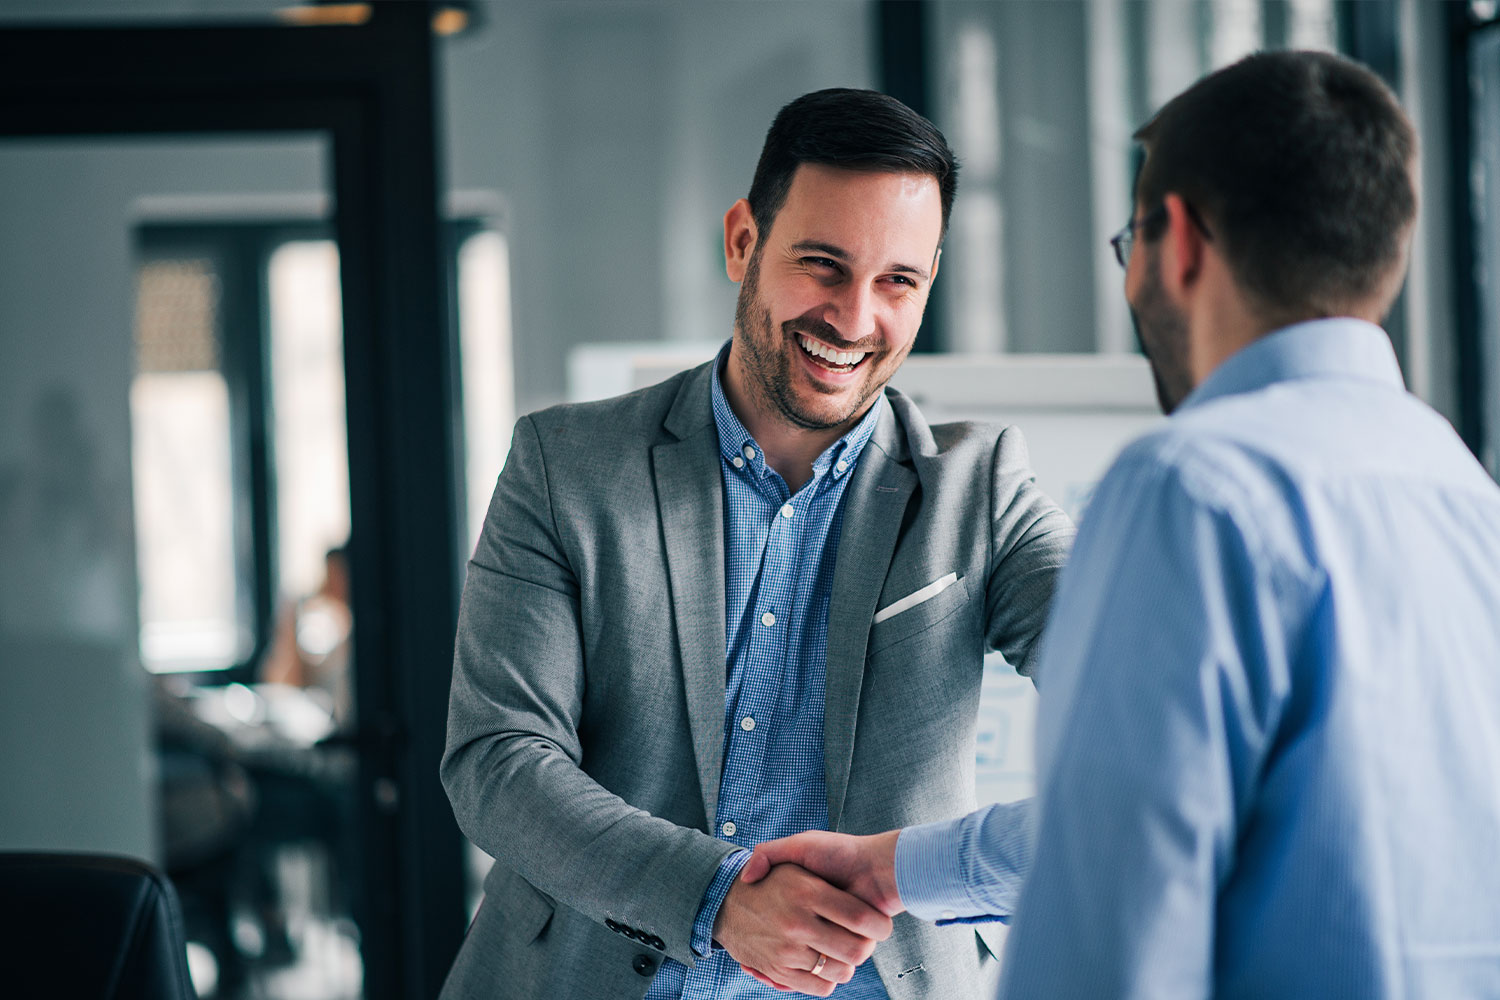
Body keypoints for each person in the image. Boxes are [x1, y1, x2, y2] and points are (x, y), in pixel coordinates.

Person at [742, 50, 1500, 998]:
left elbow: (1112, 899)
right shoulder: (1466, 495)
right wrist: (899, 868)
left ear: (1175, 240)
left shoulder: (1194, 485)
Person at [439, 88, 1075, 999]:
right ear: (744, 240)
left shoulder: (981, 490)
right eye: (823, 265)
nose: (854, 320)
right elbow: (498, 760)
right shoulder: (567, 466)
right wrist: (717, 900)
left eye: (899, 281)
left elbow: (1146, 708)